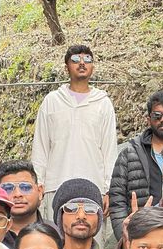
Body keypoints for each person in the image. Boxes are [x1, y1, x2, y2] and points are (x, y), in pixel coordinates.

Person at [31, 43, 117, 212]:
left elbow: (109, 149)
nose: (82, 63)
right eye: (76, 59)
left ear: (93, 66)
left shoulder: (103, 103)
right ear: (66, 67)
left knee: (91, 236)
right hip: (55, 185)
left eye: (87, 59)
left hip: (93, 186)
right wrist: (38, 182)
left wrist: (109, 189)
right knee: (55, 236)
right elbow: (40, 145)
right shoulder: (52, 101)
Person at [108, 92, 163, 244]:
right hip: (141, 234)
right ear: (148, 119)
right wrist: (125, 238)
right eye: (157, 116)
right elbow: (117, 200)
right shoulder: (130, 153)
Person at [0, 160, 44, 249]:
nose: (17, 194)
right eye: (8, 188)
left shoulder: (56, 234)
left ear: (40, 191)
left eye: (25, 187)